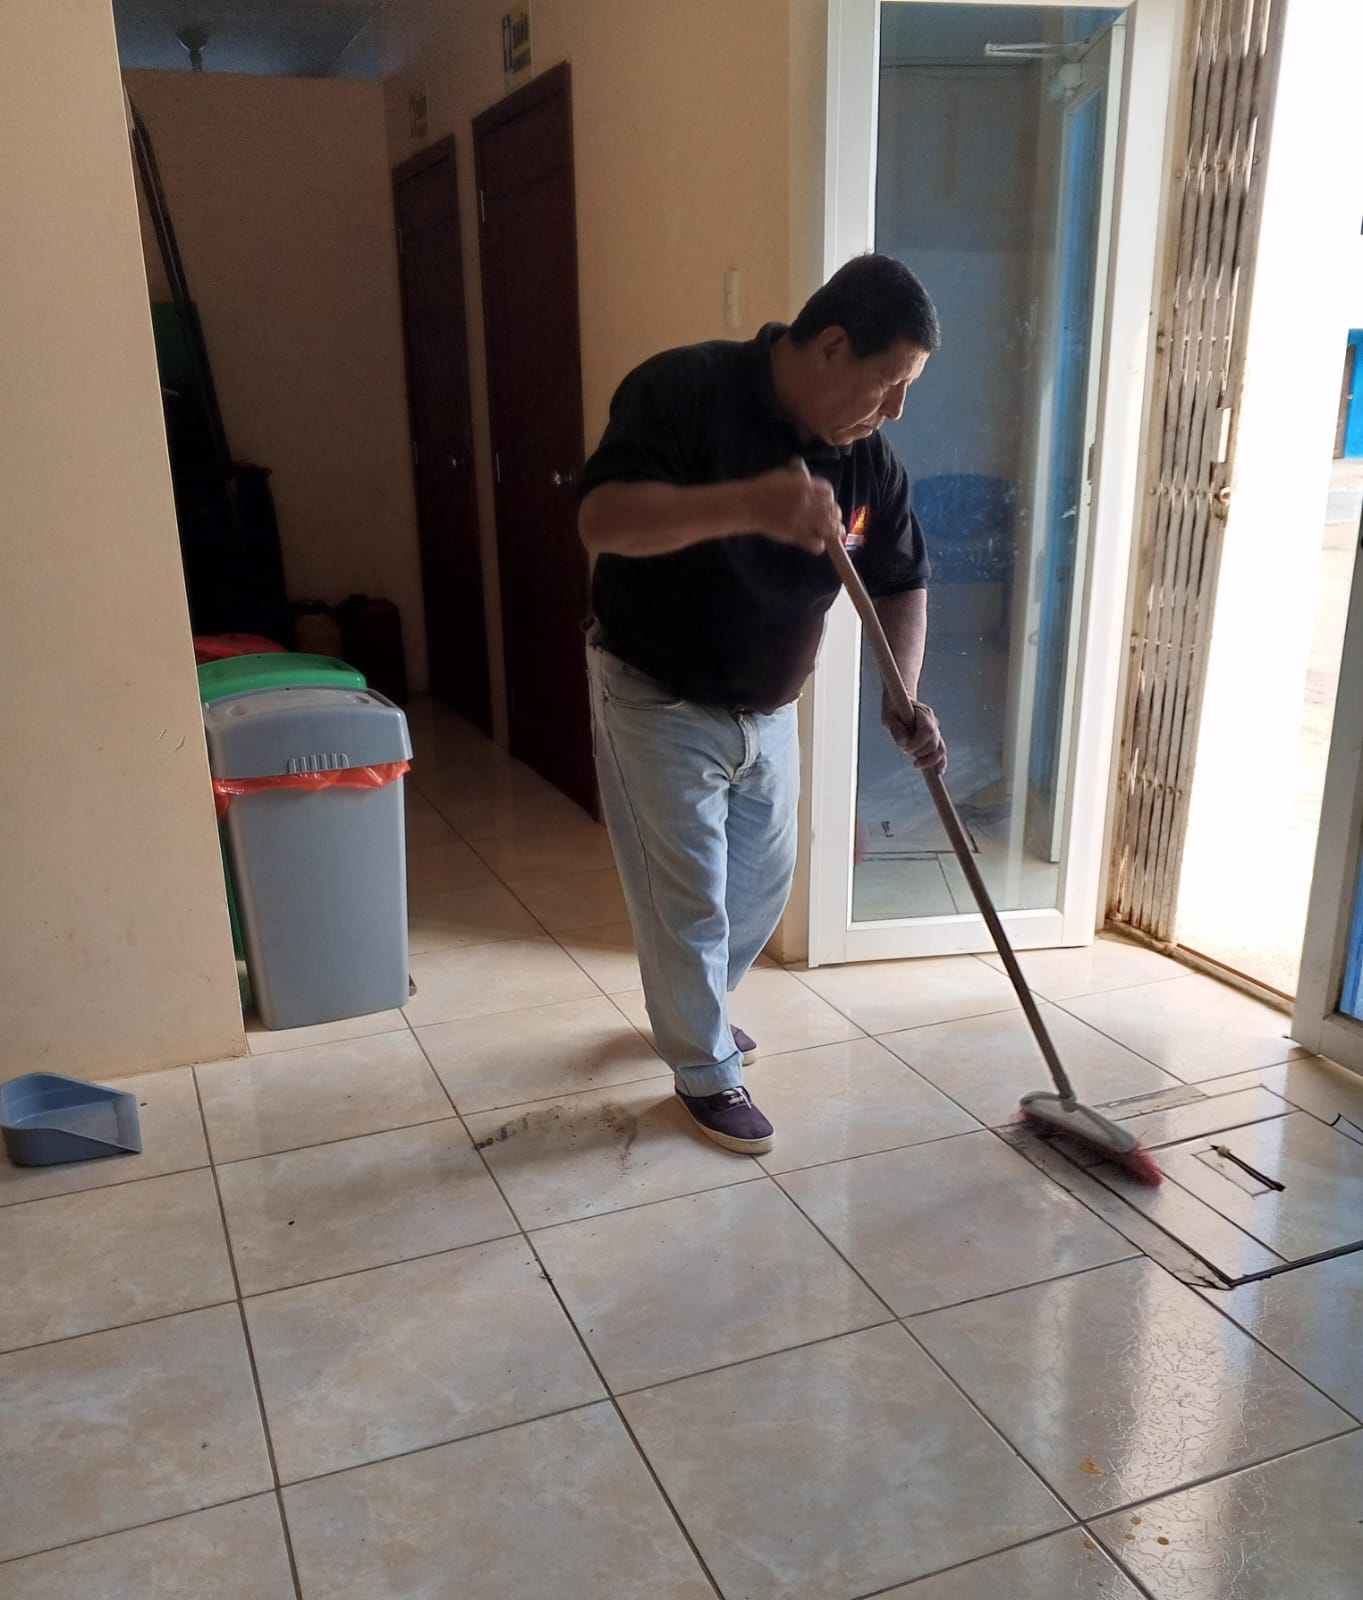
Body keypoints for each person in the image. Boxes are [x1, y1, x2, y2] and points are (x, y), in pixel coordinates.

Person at [577, 253, 947, 1156]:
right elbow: (603, 521)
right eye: (889, 382)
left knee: (757, 891)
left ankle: (691, 1005)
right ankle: (704, 1067)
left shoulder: (868, 462)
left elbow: (900, 579)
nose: (897, 408)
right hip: (655, 694)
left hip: (769, 708)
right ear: (831, 346)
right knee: (687, 902)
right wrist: (750, 505)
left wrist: (901, 690)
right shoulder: (684, 389)